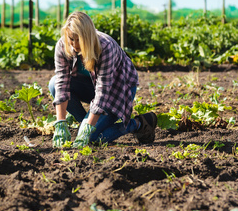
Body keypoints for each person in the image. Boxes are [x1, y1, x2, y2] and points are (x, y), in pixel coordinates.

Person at [48, 11, 157, 148]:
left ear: (87, 37)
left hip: (117, 89)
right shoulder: (63, 46)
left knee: (93, 138)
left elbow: (103, 92)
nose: (74, 44)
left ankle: (137, 124)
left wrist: (89, 128)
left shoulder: (105, 47)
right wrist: (60, 122)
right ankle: (87, 125)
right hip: (89, 86)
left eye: (79, 39)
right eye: (71, 38)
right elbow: (61, 83)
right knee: (54, 83)